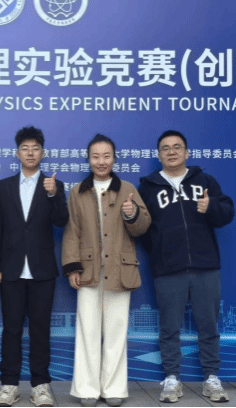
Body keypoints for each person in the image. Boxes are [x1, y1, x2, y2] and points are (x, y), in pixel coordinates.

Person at [138, 130, 235, 403]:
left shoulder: (205, 181)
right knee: (169, 328)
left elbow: (227, 213)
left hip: (205, 266)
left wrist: (211, 206)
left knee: (208, 326)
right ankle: (171, 378)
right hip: (168, 269)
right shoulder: (147, 188)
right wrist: (159, 251)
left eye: (177, 147)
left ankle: (211, 378)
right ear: (158, 155)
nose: (171, 152)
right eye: (165, 148)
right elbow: (141, 228)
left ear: (187, 152)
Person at [62, 134, 151, 408]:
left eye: (106, 156)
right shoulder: (77, 191)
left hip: (120, 270)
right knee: (87, 331)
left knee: (116, 331)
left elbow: (143, 227)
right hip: (88, 271)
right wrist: (72, 266)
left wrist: (131, 213)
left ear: (114, 158)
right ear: (88, 159)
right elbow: (71, 231)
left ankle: (113, 388)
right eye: (96, 156)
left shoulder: (127, 189)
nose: (101, 161)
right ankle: (87, 389)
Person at [0, 126, 69, 407]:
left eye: (35, 148)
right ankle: (9, 385)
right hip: (11, 268)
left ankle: (41, 386)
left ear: (43, 153)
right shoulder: (4, 187)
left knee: (40, 329)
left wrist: (53, 195)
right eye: (25, 148)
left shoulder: (53, 185)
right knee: (11, 329)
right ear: (17, 153)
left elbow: (62, 221)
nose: (30, 153)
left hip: (42, 269)